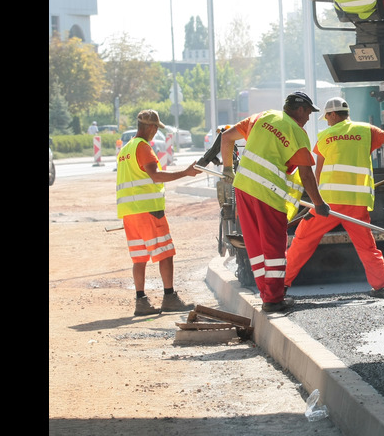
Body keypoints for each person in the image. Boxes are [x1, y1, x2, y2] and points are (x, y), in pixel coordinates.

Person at [285, 97, 384, 299]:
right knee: (366, 246)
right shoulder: (366, 131)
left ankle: (280, 285)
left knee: (302, 241)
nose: (327, 121)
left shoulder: (325, 136)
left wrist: (316, 200)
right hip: (356, 203)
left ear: (333, 114)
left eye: (327, 117)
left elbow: (318, 172)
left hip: (328, 204)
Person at [220, 91, 330, 313]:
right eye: (308, 112)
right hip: (268, 194)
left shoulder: (262, 117)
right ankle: (274, 299)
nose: (308, 117)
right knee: (274, 246)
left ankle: (267, 294)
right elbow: (306, 175)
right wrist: (319, 204)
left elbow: (226, 138)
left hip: (243, 188)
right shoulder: (297, 132)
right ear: (299, 110)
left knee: (256, 245)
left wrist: (227, 169)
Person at [116, 109, 201, 316]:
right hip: (149, 212)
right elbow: (155, 176)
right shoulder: (144, 147)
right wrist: (185, 173)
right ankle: (169, 297)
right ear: (152, 127)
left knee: (139, 258)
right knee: (166, 253)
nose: (155, 133)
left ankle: (141, 301)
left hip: (129, 213)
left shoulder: (125, 149)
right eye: (156, 128)